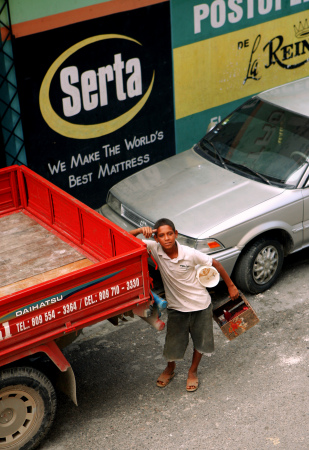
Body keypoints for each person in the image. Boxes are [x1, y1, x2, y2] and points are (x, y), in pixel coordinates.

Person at [130, 218, 239, 392]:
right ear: (156, 238)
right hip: (176, 308)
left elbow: (216, 264)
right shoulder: (155, 248)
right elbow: (125, 240)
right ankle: (170, 368)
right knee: (173, 342)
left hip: (201, 305)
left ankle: (193, 371)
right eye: (162, 235)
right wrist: (139, 231)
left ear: (176, 234)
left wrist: (231, 286)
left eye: (170, 234)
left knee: (201, 342)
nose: (166, 238)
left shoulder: (190, 253)